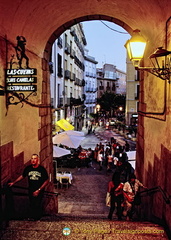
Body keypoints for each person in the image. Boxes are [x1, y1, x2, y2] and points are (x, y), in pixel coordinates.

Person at [8, 154, 49, 220]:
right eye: (32, 158)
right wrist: (14, 182)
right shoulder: (28, 168)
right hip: (31, 189)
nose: (33, 160)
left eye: (35, 158)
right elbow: (22, 176)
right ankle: (32, 217)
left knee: (37, 203)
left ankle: (37, 218)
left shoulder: (42, 169)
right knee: (32, 203)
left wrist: (39, 190)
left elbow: (46, 181)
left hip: (39, 190)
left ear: (38, 160)